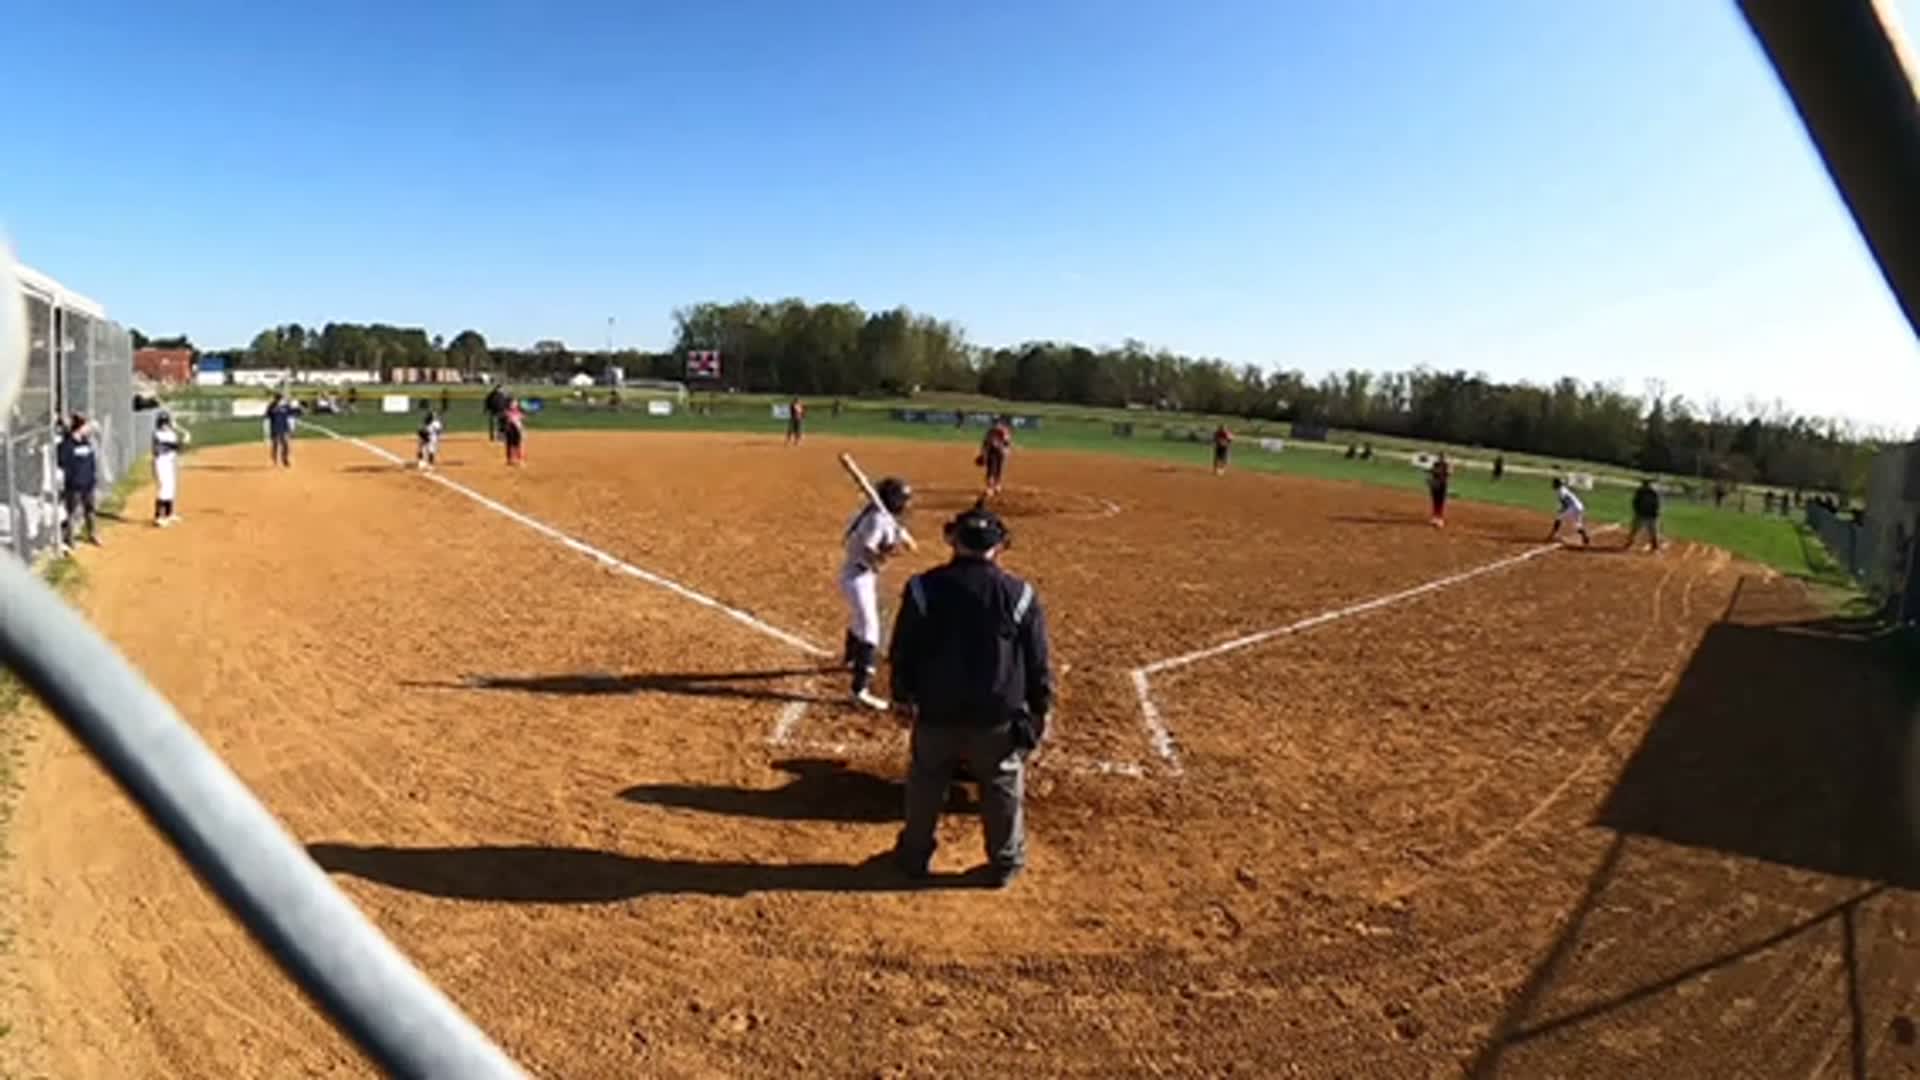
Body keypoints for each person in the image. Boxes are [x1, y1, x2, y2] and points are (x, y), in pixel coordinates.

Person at [885, 504, 1052, 887]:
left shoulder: (922, 588)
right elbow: (1037, 661)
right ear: (1000, 545)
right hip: (997, 714)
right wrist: (1040, 709)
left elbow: (904, 649)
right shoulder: (1020, 594)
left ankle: (914, 856)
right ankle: (1004, 863)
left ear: (951, 538)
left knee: (926, 780)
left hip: (937, 709)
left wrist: (902, 695)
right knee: (1001, 784)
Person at [840, 477, 914, 710]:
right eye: (903, 500)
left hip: (859, 575)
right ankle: (860, 690)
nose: (906, 504)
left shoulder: (876, 514)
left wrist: (900, 539)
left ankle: (851, 658)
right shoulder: (877, 519)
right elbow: (868, 550)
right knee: (870, 629)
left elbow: (891, 530)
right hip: (858, 575)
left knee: (861, 619)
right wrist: (888, 553)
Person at [57, 414, 102, 551]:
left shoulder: (86, 443)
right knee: (72, 513)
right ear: (78, 428)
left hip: (88, 483)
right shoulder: (66, 445)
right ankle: (70, 540)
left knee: (90, 510)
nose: (88, 429)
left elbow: (91, 462)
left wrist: (93, 477)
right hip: (74, 485)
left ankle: (93, 534)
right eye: (85, 426)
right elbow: (62, 463)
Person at [152, 410, 189, 526]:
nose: (164, 425)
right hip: (160, 463)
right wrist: (185, 438)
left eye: (166, 423)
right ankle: (158, 517)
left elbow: (179, 449)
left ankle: (169, 514)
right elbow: (174, 446)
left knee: (171, 487)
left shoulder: (171, 434)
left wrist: (182, 435)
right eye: (162, 423)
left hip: (169, 463)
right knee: (164, 488)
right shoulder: (157, 434)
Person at [1548, 477, 1592, 546]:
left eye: (1554, 483)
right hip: (1580, 506)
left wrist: (1561, 510)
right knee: (1577, 524)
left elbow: (1565, 504)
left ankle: (1553, 535)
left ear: (1557, 484)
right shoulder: (1563, 489)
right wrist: (1562, 509)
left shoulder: (1561, 491)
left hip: (1573, 507)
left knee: (1559, 517)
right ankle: (1585, 536)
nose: (1553, 485)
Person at [978, 418, 1012, 496]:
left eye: (997, 422)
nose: (996, 424)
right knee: (991, 471)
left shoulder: (1004, 431)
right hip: (992, 453)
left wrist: (1005, 450)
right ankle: (990, 488)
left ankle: (997, 485)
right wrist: (983, 454)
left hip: (1001, 453)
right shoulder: (990, 432)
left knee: (999, 470)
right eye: (994, 422)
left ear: (1000, 423)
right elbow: (985, 444)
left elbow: (1007, 443)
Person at [1627, 479, 1662, 551]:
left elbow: (1657, 504)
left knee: (1653, 531)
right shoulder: (1640, 492)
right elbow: (1635, 502)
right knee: (1635, 529)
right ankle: (1630, 542)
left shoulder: (1653, 493)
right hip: (1641, 514)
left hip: (1651, 515)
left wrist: (1655, 512)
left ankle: (1654, 545)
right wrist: (1637, 511)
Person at [265, 392, 297, 468]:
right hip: (275, 428)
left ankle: (285, 459)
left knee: (285, 444)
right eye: (277, 398)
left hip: (284, 427)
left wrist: (291, 429)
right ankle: (274, 459)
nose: (279, 400)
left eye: (280, 398)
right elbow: (267, 416)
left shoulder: (286, 406)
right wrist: (274, 408)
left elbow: (291, 415)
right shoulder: (271, 406)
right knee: (275, 444)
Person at [1428, 453, 1451, 527]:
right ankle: (1435, 517)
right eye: (1440, 457)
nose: (1441, 459)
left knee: (1441, 502)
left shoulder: (1446, 465)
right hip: (1435, 485)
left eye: (1442, 457)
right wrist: (1431, 481)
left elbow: (1449, 474)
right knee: (1435, 502)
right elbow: (1432, 473)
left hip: (1443, 485)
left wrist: (1440, 473)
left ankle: (1440, 519)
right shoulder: (1435, 464)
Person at [502, 398, 526, 466]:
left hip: (518, 430)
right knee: (509, 445)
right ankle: (510, 460)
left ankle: (520, 460)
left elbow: (522, 418)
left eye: (515, 403)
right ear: (509, 404)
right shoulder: (507, 412)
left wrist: (520, 416)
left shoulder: (519, 412)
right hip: (510, 431)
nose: (513, 404)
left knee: (519, 445)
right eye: (512, 403)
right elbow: (506, 419)